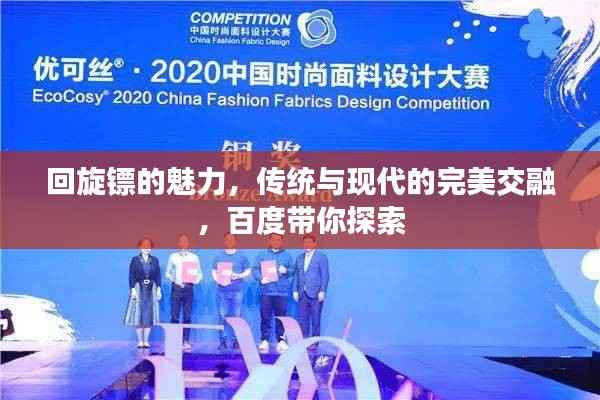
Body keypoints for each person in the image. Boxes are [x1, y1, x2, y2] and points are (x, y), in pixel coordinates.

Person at [253, 233, 295, 354]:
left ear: (282, 241)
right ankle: (264, 340)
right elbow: (255, 269)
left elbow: (293, 271)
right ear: (269, 240)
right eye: (274, 239)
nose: (276, 242)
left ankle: (281, 340)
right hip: (266, 291)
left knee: (281, 318)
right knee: (265, 317)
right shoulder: (262, 255)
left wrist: (286, 270)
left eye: (278, 240)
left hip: (281, 292)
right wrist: (260, 278)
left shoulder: (287, 256)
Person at [211, 232, 250, 350]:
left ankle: (236, 340)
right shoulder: (218, 256)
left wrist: (239, 275)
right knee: (222, 316)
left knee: (237, 317)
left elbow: (248, 270)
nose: (229, 241)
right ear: (224, 241)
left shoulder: (242, 256)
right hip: (222, 291)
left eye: (232, 239)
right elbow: (214, 271)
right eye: (227, 239)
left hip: (237, 290)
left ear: (235, 241)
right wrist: (218, 279)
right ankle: (222, 341)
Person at [166, 233, 202, 351]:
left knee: (187, 316)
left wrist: (195, 280)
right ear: (178, 243)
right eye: (181, 241)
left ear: (188, 244)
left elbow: (199, 273)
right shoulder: (173, 257)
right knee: (174, 316)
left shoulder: (194, 257)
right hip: (176, 288)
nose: (183, 243)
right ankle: (174, 341)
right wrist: (174, 279)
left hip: (189, 288)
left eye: (185, 241)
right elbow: (167, 273)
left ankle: (186, 341)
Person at [124, 237, 162, 348]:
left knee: (149, 315)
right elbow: (131, 275)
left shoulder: (155, 260)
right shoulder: (135, 260)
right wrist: (132, 289)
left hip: (151, 288)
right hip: (138, 288)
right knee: (138, 315)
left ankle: (146, 341)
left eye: (148, 246)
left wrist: (159, 289)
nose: (146, 249)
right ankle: (140, 341)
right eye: (144, 246)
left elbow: (158, 275)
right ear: (140, 248)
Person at [293, 234, 329, 343]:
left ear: (314, 244)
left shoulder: (321, 257)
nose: (307, 244)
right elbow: (296, 275)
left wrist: (322, 290)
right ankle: (305, 342)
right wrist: (295, 290)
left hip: (316, 294)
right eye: (305, 242)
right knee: (303, 320)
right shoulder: (299, 258)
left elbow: (325, 275)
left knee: (315, 320)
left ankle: (314, 343)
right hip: (302, 294)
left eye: (309, 242)